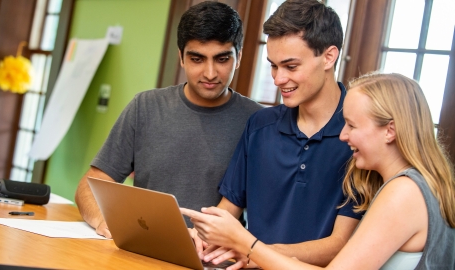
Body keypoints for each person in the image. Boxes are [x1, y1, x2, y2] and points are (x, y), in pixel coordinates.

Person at [182, 72, 455, 269]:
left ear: (390, 130)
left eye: (352, 125)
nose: (343, 135)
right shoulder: (421, 185)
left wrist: (248, 244)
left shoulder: (403, 193)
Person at [188, 0, 362, 268]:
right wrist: (200, 235)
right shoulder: (260, 126)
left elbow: (342, 245)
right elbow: (228, 210)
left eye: (291, 67)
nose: (278, 79)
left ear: (329, 56)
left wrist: (256, 252)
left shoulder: (359, 137)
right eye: (273, 65)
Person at [74, 1, 263, 238]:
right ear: (181, 58)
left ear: (239, 56)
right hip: (143, 248)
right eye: (197, 59)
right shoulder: (145, 107)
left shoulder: (258, 122)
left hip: (215, 260)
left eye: (222, 59)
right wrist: (103, 220)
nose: (210, 73)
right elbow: (91, 184)